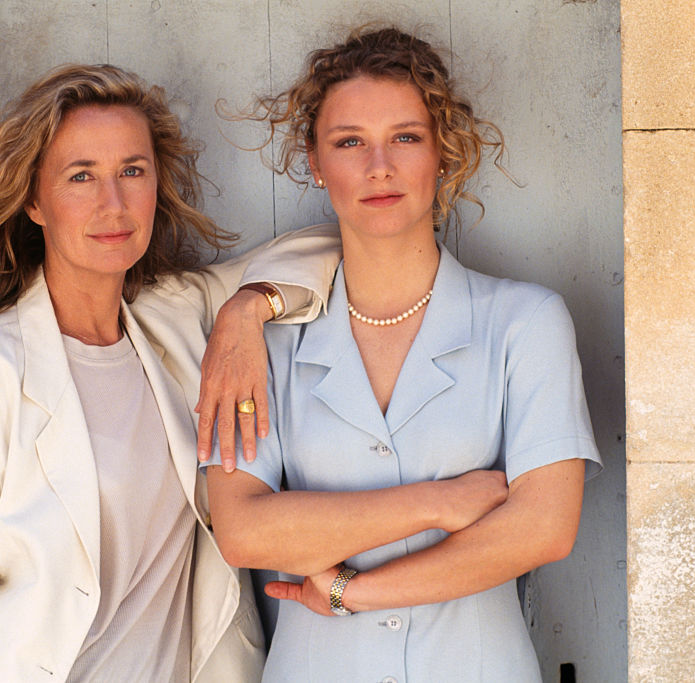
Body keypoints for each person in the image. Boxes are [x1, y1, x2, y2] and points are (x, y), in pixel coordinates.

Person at [0, 63, 340, 682]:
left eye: (132, 171)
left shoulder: (175, 323)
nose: (114, 203)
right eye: (81, 176)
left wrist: (247, 309)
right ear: (35, 201)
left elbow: (340, 244)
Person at [202, 26, 603, 682]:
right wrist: (436, 502)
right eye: (349, 141)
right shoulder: (261, 345)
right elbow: (244, 530)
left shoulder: (525, 322)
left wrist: (351, 591)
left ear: (442, 152)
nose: (378, 166)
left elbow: (544, 526)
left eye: (405, 137)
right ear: (315, 160)